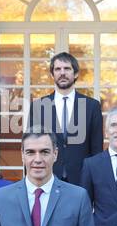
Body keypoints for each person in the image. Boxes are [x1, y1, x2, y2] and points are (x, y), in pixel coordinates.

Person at [29, 51, 102, 185]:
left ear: (76, 74)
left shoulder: (92, 106)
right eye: (58, 69)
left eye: (67, 68)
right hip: (47, 177)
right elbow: (31, 144)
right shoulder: (38, 106)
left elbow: (96, 149)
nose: (62, 73)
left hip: (82, 179)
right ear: (52, 75)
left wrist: (95, 182)